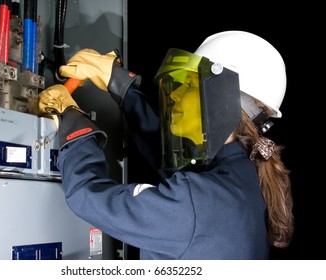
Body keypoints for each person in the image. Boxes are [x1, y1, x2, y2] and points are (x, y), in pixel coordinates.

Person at [30, 30, 294, 259]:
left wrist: (72, 122)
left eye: (189, 86)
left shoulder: (199, 201)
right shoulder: (243, 174)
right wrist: (119, 83)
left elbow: (88, 197)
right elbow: (170, 158)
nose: (176, 95)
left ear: (220, 101)